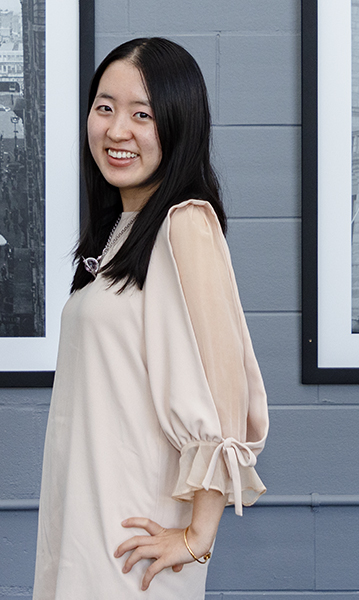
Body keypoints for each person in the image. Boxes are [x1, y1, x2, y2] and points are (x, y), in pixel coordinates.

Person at [32, 38, 268, 599]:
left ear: (179, 124)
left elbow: (223, 387)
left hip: (133, 537)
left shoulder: (185, 223)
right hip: (85, 518)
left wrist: (197, 536)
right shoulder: (121, 231)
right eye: (104, 107)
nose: (116, 131)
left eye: (143, 114)